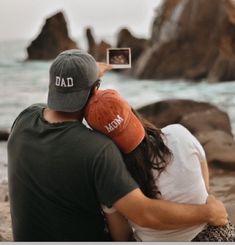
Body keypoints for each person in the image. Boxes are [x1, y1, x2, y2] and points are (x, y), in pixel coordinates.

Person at [7, 49, 228, 241]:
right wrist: (208, 213)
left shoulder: (24, 119)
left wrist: (90, 75)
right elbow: (144, 214)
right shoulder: (97, 149)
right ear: (95, 91)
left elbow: (66, 94)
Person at [85, 89, 235, 242]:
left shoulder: (110, 176)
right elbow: (205, 182)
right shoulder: (178, 134)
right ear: (132, 112)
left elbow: (122, 236)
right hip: (216, 237)